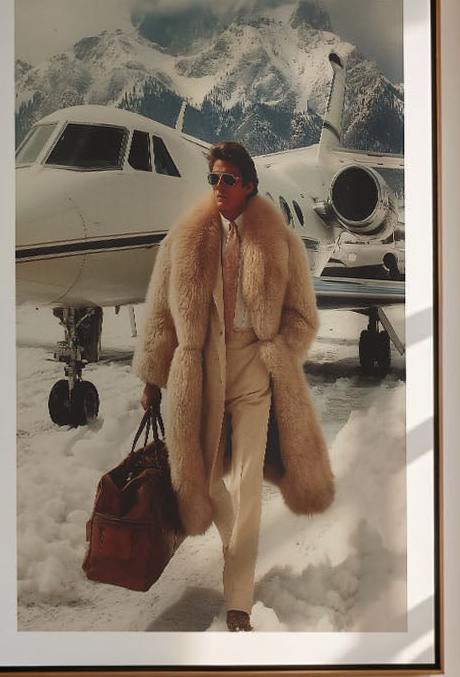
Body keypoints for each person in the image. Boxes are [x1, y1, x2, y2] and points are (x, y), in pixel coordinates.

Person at [135, 141, 334, 631]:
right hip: (199, 375)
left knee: (247, 487)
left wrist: (276, 355)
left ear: (248, 184)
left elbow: (303, 318)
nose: (218, 188)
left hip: (253, 376)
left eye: (228, 179)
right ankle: (234, 548)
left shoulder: (281, 243)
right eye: (213, 179)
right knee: (201, 478)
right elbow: (160, 315)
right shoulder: (183, 239)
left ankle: (238, 602)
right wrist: (153, 382)